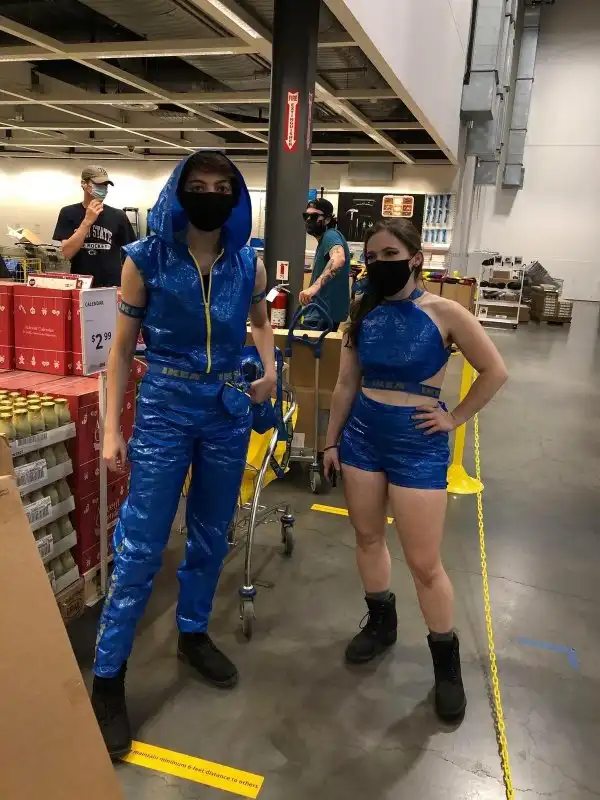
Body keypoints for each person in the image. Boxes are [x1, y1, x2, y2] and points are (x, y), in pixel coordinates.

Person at [91, 151, 275, 759]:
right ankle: (108, 675)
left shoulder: (247, 263)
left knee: (212, 532)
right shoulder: (145, 259)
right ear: (178, 190)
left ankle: (192, 631)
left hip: (227, 408)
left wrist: (269, 369)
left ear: (236, 196)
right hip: (166, 406)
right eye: (199, 185)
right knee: (141, 543)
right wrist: (111, 429)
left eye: (222, 187)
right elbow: (121, 350)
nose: (210, 195)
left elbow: (261, 323)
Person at [323, 219, 507, 722]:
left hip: (418, 445)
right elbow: (345, 383)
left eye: (389, 254)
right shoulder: (363, 311)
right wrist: (331, 440)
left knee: (425, 564)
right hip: (362, 437)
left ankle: (446, 663)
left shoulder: (445, 312)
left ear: (415, 258)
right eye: (372, 256)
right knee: (367, 538)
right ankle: (381, 622)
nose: (379, 264)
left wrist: (455, 417)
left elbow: (495, 370)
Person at [53, 165, 135, 287]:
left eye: (105, 185)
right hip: (81, 285)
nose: (103, 188)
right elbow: (67, 252)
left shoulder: (118, 216)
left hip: (111, 286)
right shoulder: (68, 213)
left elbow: (131, 255)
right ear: (84, 184)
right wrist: (87, 221)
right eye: (98, 184)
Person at [299, 198, 350, 330]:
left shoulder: (330, 235)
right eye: (306, 215)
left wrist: (313, 288)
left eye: (314, 216)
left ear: (327, 219)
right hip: (321, 312)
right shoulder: (324, 241)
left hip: (322, 314)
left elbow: (339, 258)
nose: (309, 219)